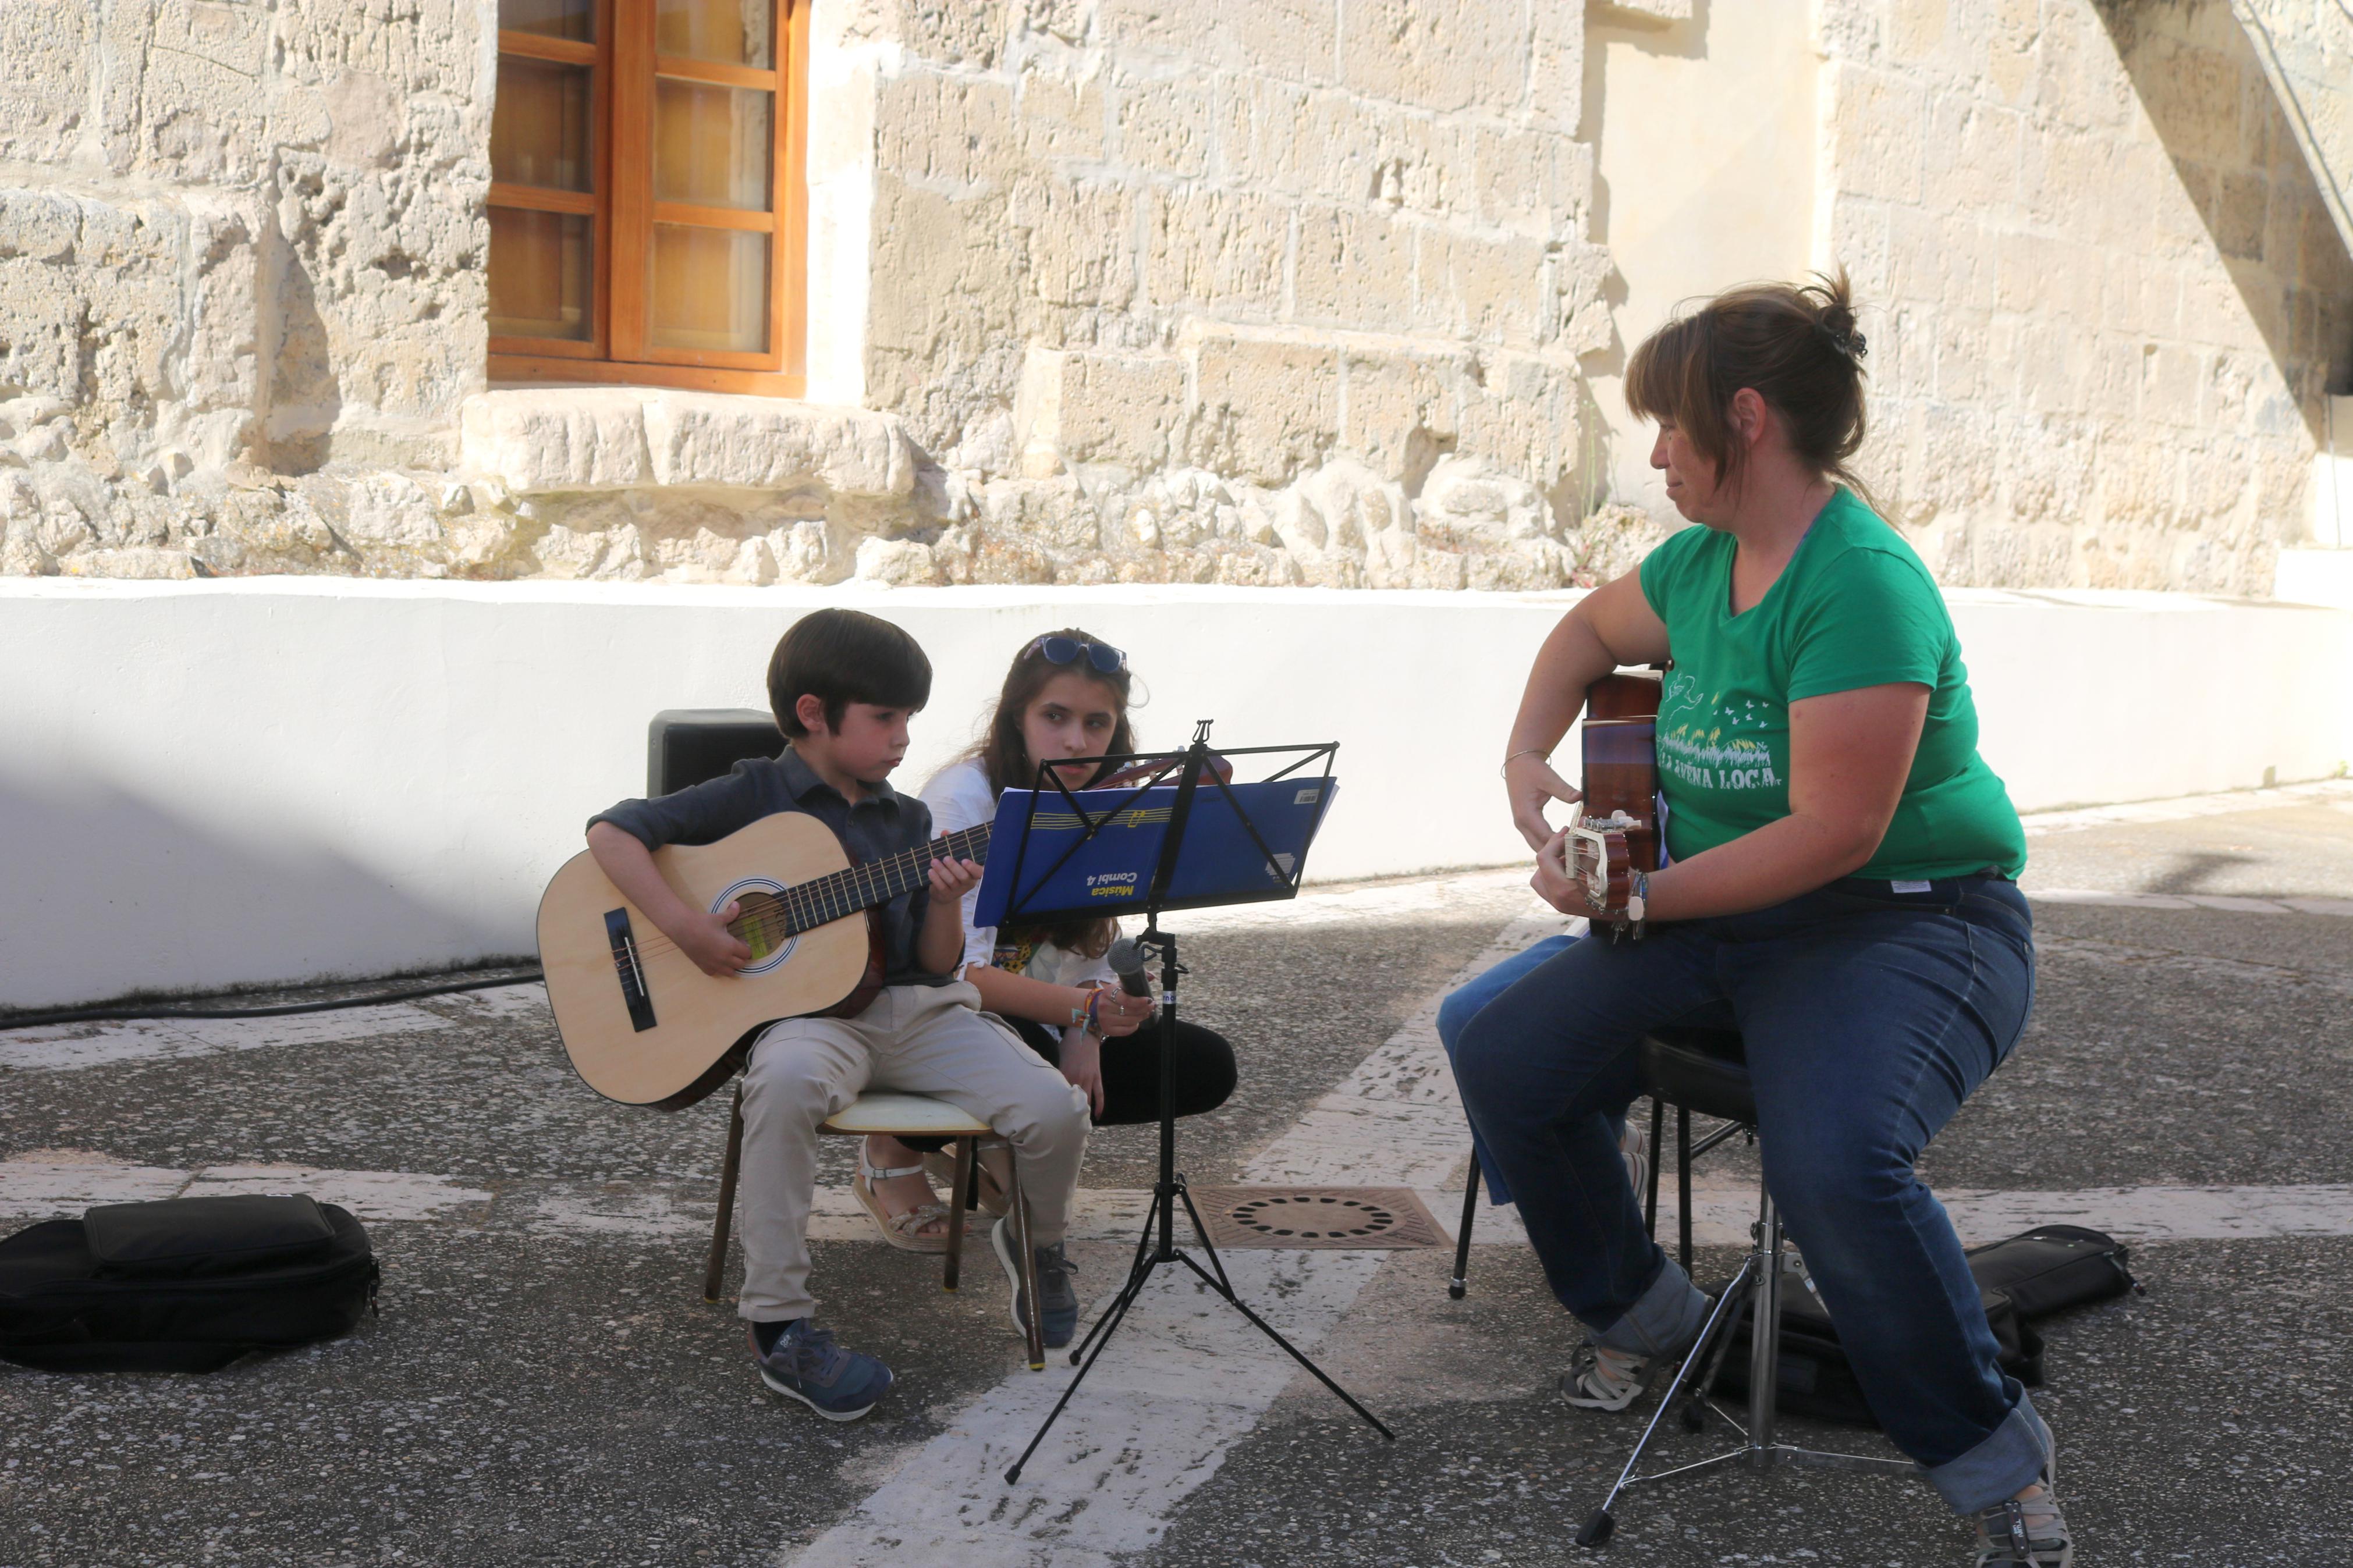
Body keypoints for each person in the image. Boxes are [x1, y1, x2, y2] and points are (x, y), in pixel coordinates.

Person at [1450, 274, 2067, 1567]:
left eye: (1667, 429)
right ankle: (1661, 1326)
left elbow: (1834, 831)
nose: (1654, 456)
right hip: (1727, 919)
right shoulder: (1691, 565)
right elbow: (1579, 634)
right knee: (1501, 1052)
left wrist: (1631, 894)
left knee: (1833, 1163)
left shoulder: (1862, 585)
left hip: (1906, 925)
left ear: (1742, 420)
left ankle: (1997, 1473)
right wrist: (1524, 758)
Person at [583, 609, 1092, 1422]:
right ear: (815, 713)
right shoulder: (751, 793)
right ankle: (779, 1323)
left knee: (1052, 1108)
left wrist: (942, 900)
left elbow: (932, 961)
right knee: (778, 1085)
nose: (900, 738)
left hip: (917, 1011)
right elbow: (610, 835)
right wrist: (688, 928)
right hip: (815, 1021)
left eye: (907, 721)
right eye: (884, 717)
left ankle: (1035, 1243)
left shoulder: (907, 822)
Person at [850, 631, 1238, 1267]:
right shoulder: (963, 797)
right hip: (942, 1011)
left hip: (1039, 1012)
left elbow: (1085, 959)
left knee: (1202, 1066)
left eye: (1096, 722)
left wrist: (1087, 1022)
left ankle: (995, 1147)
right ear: (1015, 718)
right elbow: (957, 971)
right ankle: (891, 1154)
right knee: (1015, 1062)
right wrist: (1077, 1015)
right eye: (1053, 717)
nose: (1077, 742)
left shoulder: (1111, 797)